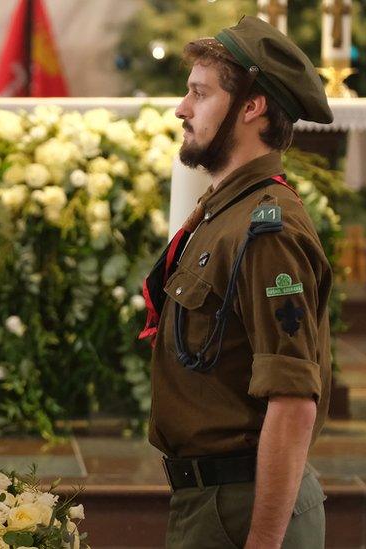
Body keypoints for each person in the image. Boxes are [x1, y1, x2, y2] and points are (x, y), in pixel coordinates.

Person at [138, 16, 334, 549]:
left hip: (246, 508)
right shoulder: (227, 212)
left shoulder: (266, 229)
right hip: (215, 503)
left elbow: (293, 401)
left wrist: (263, 541)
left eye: (199, 94)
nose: (182, 108)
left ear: (252, 107)